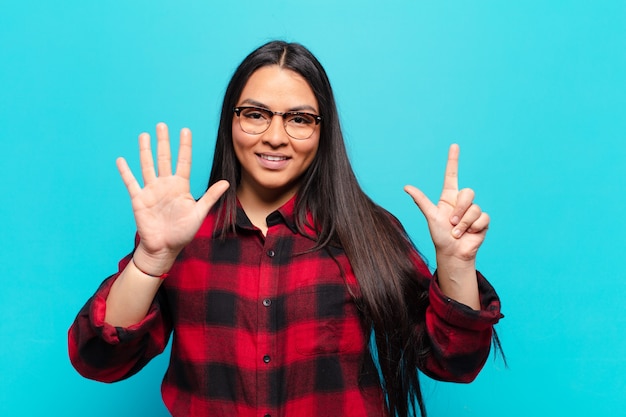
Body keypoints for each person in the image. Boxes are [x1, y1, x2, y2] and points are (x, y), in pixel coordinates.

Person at [68, 40, 503, 417]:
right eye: (256, 114)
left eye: (298, 119)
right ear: (231, 121)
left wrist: (456, 264)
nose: (275, 136)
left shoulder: (368, 232)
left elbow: (455, 363)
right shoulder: (182, 235)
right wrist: (151, 259)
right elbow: (101, 360)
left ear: (322, 131)